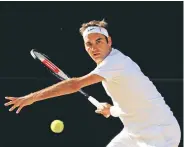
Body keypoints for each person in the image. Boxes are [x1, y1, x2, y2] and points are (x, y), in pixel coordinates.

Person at [4, 20, 181, 147]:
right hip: (133, 133)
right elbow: (136, 103)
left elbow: (74, 85)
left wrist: (31, 97)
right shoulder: (111, 66)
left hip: (160, 133)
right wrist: (111, 110)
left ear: (109, 41)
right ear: (85, 47)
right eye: (89, 44)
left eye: (99, 41)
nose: (94, 48)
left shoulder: (115, 63)